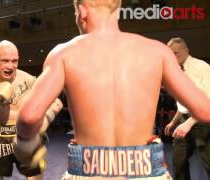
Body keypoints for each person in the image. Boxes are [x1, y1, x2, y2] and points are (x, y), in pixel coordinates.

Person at [12, 0, 210, 179]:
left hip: (89, 169)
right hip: (144, 168)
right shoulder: (157, 51)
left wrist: (25, 146)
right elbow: (205, 111)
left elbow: (29, 116)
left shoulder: (64, 53)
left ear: (81, 11)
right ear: (117, 9)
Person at [0, 40, 62, 180]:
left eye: (15, 61)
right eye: (5, 61)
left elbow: (56, 103)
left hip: (25, 136)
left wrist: (44, 119)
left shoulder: (29, 80)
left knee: (34, 177)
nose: (10, 66)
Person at [164, 37, 210, 180]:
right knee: (178, 162)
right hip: (183, 120)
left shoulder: (201, 67)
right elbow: (184, 103)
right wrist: (174, 122)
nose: (173, 57)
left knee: (208, 162)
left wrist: (189, 123)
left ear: (186, 51)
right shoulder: (176, 71)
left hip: (202, 120)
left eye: (176, 53)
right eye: (170, 54)